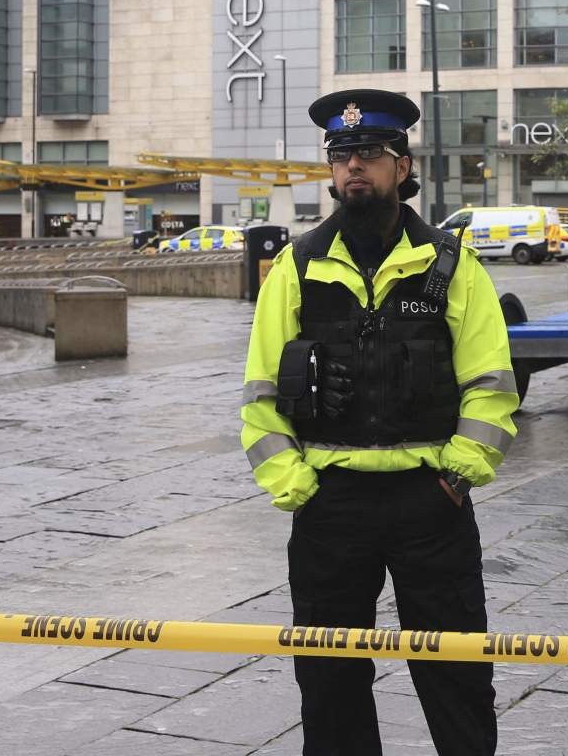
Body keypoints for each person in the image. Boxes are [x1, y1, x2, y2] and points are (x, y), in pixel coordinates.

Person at [240, 88, 517, 756]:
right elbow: (259, 393)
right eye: (342, 156)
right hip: (331, 507)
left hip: (431, 505)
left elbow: (491, 385)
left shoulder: (451, 264)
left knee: (457, 678)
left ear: (402, 165)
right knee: (329, 683)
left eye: (369, 153)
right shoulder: (298, 267)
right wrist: (293, 482)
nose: (353, 167)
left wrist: (457, 478)